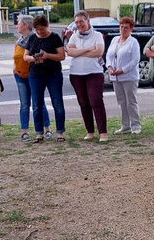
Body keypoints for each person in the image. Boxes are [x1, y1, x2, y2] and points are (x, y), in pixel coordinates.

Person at [64, 11, 108, 142]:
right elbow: (70, 52)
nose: (79, 24)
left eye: (81, 21)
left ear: (88, 21)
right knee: (83, 103)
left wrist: (78, 52)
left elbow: (99, 52)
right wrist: (89, 49)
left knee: (96, 101)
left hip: (94, 73)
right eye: (76, 22)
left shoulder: (97, 35)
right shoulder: (74, 37)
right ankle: (90, 131)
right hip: (77, 74)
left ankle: (103, 132)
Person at [24, 14, 66, 143]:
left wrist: (47, 55)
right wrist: (33, 58)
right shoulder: (31, 38)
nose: (40, 32)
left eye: (42, 29)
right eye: (37, 29)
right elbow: (25, 56)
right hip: (35, 75)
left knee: (57, 103)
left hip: (53, 74)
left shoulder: (54, 37)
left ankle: (60, 132)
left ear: (47, 26)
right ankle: (39, 133)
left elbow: (61, 56)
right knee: (37, 105)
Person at [11, 14, 48, 142]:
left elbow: (38, 56)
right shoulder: (18, 41)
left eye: (18, 23)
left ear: (26, 25)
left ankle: (46, 128)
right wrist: (14, 67)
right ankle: (24, 131)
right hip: (20, 76)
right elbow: (16, 56)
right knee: (24, 105)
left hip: (33, 75)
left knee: (39, 103)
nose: (16, 26)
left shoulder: (34, 39)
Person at [106, 16, 142, 135]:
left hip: (129, 77)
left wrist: (122, 70)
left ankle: (135, 125)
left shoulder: (133, 42)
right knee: (121, 101)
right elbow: (109, 56)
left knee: (131, 101)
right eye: (121, 27)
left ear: (131, 29)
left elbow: (134, 61)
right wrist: (110, 67)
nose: (123, 29)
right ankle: (125, 125)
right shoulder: (114, 40)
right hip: (115, 77)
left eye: (126, 27)